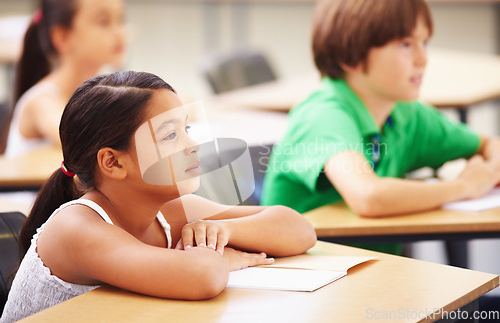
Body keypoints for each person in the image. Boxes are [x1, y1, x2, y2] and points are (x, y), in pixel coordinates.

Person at [0, 71, 316, 322]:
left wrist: (226, 231)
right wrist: (216, 256)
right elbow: (203, 276)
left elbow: (299, 230)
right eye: (170, 135)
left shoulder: (168, 211)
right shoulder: (76, 227)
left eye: (186, 129)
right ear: (113, 162)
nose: (191, 145)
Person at [261, 0, 500, 254]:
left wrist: (491, 167)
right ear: (350, 55)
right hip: (309, 282)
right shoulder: (324, 115)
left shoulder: (405, 114)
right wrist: (463, 186)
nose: (422, 59)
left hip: (370, 275)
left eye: (424, 43)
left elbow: (486, 144)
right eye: (405, 44)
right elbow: (368, 197)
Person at [2, 0, 126, 156]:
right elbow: (83, 142)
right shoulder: (41, 102)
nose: (119, 32)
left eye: (121, 19)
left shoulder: (106, 90)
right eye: (103, 21)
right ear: (61, 37)